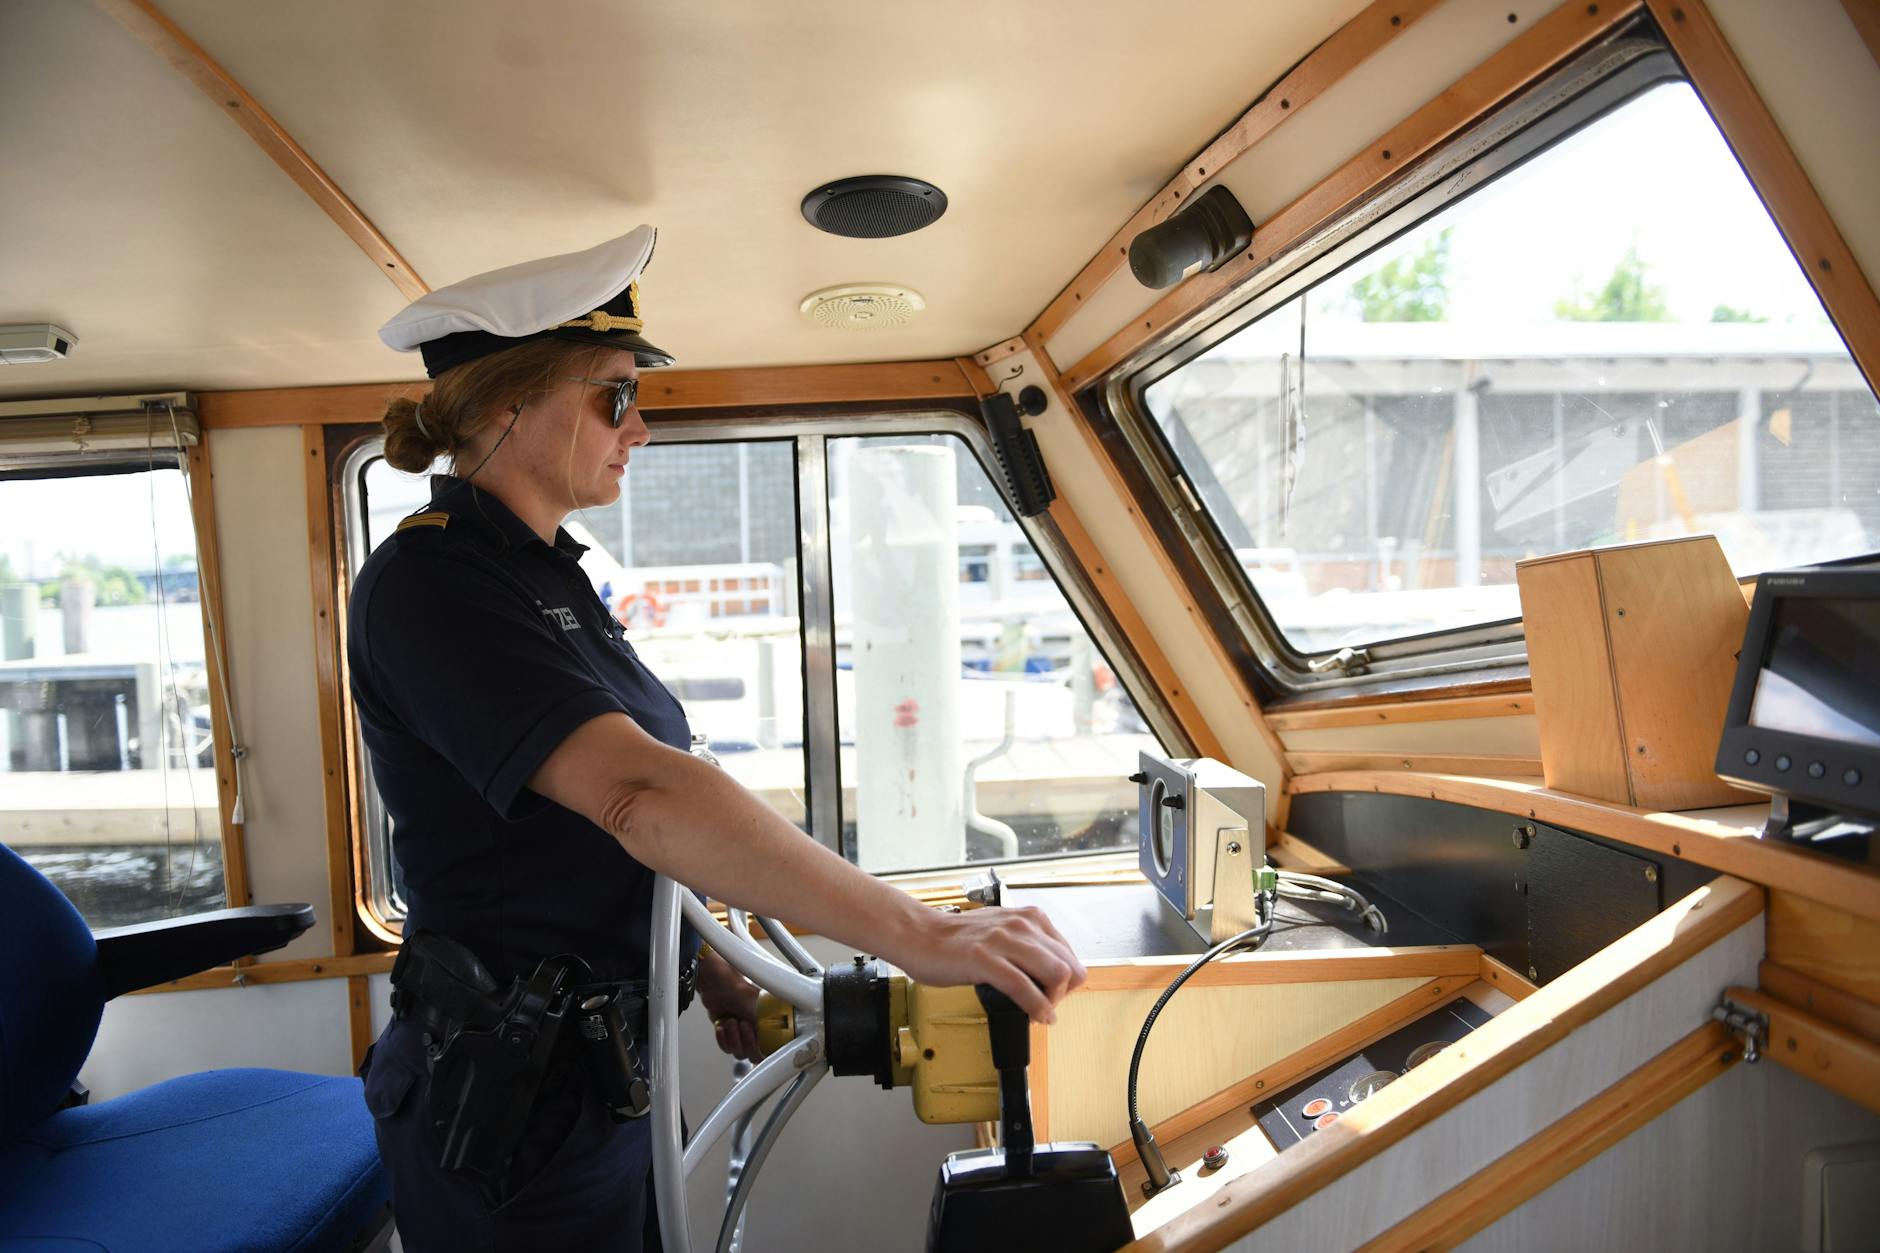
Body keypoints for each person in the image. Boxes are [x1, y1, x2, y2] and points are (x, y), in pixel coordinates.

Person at [349, 226, 1085, 1252]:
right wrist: (924, 934)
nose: (637, 425)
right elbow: (640, 795)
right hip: (506, 1104)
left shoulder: (549, 578)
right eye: (614, 393)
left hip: (599, 1072)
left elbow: (608, 817)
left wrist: (705, 959)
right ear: (507, 405)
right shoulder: (433, 586)